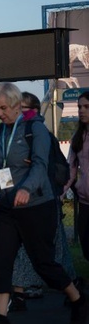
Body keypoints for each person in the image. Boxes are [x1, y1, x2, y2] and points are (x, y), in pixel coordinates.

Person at [0, 82, 88, 324]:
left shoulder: (35, 128)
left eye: (4, 108)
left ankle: (78, 299)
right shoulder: (2, 132)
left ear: (17, 104)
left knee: (43, 263)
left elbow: (39, 164)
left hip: (37, 205)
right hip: (8, 207)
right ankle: (1, 318)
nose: (1, 114)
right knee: (2, 262)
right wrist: (3, 189)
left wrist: (26, 189)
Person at [9, 92, 77, 311]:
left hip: (43, 199)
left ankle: (72, 289)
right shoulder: (14, 133)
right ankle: (19, 291)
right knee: (31, 249)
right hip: (23, 200)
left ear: (34, 111)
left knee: (49, 251)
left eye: (22, 108)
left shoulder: (39, 134)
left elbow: (50, 167)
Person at [68, 91, 89, 263]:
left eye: (86, 107)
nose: (82, 110)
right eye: (79, 107)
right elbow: (71, 168)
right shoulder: (78, 137)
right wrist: (62, 190)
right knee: (86, 244)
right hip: (84, 201)